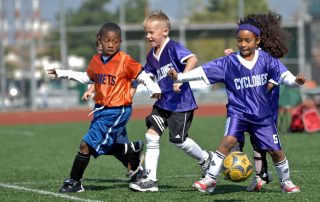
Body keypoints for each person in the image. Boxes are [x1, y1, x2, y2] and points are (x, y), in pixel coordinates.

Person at [168, 12, 305, 193]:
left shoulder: (267, 60)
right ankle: (210, 179)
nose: (243, 44)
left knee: (276, 151)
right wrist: (180, 76)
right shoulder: (228, 62)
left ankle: (285, 182)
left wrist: (295, 81)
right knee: (227, 143)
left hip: (262, 115)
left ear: (257, 41)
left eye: (247, 41)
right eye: (239, 40)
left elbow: (284, 75)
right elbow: (202, 72)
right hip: (238, 113)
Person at [46, 22, 160, 193]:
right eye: (107, 40)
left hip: (117, 110)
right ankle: (137, 168)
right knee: (113, 145)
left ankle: (74, 181)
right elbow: (87, 78)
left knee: (86, 144)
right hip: (101, 109)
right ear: (100, 40)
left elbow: (142, 75)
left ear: (120, 41)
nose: (111, 44)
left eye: (115, 41)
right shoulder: (96, 60)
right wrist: (62, 73)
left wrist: (154, 88)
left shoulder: (124, 60)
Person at [128, 11, 212, 192]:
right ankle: (150, 180)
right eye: (146, 33)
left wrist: (180, 78)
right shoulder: (152, 55)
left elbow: (193, 58)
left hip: (181, 104)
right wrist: (133, 89)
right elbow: (146, 75)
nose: (148, 36)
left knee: (178, 140)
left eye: (152, 32)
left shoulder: (173, 47)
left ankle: (206, 159)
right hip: (163, 103)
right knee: (151, 136)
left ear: (165, 31)